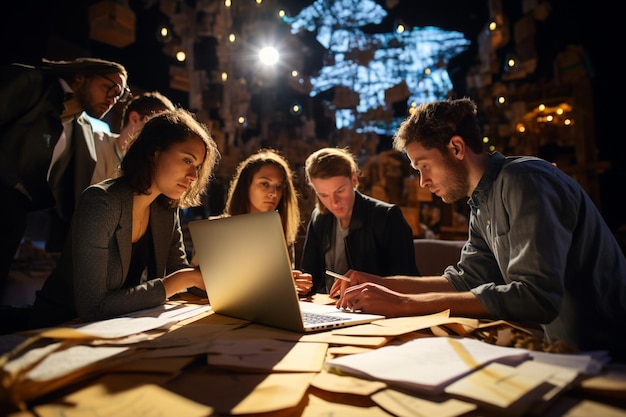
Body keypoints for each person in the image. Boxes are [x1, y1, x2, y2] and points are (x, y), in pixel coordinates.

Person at [333, 98, 626, 360]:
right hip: (570, 356)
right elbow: (465, 281)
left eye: (424, 166)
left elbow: (537, 298)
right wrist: (381, 284)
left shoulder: (525, 181)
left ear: (457, 148)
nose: (423, 181)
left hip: (609, 358)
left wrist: (406, 304)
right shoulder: (481, 200)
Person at [19, 108, 220, 331]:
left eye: (198, 168)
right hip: (59, 328)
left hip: (120, 328)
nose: (193, 176)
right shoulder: (101, 202)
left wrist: (227, 280)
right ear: (154, 152)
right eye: (187, 160)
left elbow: (182, 274)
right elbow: (92, 307)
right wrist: (182, 279)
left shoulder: (165, 210)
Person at [0, 57, 130, 294]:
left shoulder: (82, 132)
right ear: (80, 78)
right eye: (108, 88)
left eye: (118, 95)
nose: (112, 99)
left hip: (14, 217)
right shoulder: (32, 83)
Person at [300, 147, 419, 295]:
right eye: (323, 195)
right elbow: (310, 276)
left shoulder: (386, 216)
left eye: (340, 191)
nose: (334, 202)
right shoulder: (319, 217)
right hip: (329, 307)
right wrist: (301, 283)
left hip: (375, 309)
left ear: (354, 180)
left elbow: (409, 283)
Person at [221, 149, 313, 295]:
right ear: (246, 186)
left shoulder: (280, 232)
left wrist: (293, 284)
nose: (273, 193)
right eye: (264, 184)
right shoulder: (218, 230)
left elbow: (276, 290)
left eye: (279, 187)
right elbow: (200, 287)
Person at [91, 91, 176, 184]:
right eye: (158, 127)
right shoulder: (97, 141)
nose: (161, 137)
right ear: (134, 118)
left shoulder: (147, 168)